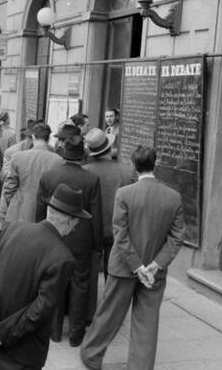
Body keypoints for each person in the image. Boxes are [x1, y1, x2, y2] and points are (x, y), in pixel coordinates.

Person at [80, 146, 185, 370]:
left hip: (124, 267)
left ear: (134, 167)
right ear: (154, 164)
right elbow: (177, 238)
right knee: (147, 321)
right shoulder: (173, 197)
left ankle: (91, 355)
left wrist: (138, 267)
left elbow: (121, 234)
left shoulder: (125, 194)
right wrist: (155, 266)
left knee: (109, 314)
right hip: (156, 271)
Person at [0, 184, 92, 370]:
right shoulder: (63, 258)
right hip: (22, 349)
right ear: (70, 221)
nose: (76, 226)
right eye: (76, 221)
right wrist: (1, 335)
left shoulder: (12, 229)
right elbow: (40, 310)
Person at [36, 136, 103, 347]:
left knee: (54, 284)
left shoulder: (48, 176)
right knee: (80, 285)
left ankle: (54, 332)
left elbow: (39, 210)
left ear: (63, 155)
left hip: (53, 237)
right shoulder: (91, 179)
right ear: (83, 157)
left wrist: (39, 235)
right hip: (81, 241)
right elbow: (96, 215)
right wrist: (97, 245)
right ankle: (76, 334)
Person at [83, 128, 133, 279]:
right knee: (113, 271)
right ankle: (109, 298)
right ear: (110, 148)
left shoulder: (84, 171)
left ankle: (91, 300)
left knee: (89, 271)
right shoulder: (126, 171)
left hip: (91, 228)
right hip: (116, 228)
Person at [3, 122, 62, 223]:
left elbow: (9, 188)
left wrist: (12, 205)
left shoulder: (17, 157)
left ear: (33, 136)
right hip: (45, 214)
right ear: (48, 138)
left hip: (19, 212)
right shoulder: (58, 160)